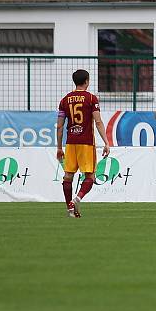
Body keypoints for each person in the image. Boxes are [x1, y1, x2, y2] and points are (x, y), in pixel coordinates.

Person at [56, 69, 111, 218]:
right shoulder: (91, 99)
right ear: (87, 81)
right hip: (86, 143)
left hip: (70, 142)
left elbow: (60, 126)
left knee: (68, 176)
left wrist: (59, 148)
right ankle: (77, 199)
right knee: (90, 176)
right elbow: (98, 121)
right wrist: (106, 142)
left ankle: (70, 209)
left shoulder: (64, 100)